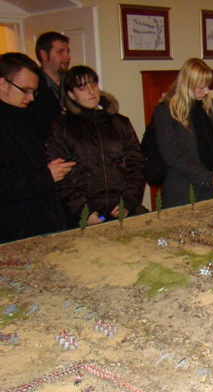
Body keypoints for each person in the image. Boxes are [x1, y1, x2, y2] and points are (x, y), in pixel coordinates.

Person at [46, 65, 146, 226]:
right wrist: (82, 209)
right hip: (84, 212)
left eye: (93, 85)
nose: (91, 91)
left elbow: (136, 163)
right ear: (71, 94)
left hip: (121, 208)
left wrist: (129, 200)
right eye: (82, 88)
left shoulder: (120, 123)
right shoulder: (62, 126)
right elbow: (60, 175)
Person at [0, 52, 74, 243]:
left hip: (40, 223)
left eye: (34, 92)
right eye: (25, 90)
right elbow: (5, 185)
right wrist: (47, 175)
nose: (31, 98)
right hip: (14, 233)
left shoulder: (23, 117)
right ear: (3, 84)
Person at [153, 58, 213, 208]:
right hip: (182, 188)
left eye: (207, 86)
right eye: (201, 87)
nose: (206, 92)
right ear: (187, 85)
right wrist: (206, 178)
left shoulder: (210, 107)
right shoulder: (165, 111)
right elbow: (172, 155)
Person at [33, 31, 71, 143]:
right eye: (60, 52)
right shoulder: (32, 86)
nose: (67, 57)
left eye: (68, 52)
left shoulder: (73, 81)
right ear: (44, 55)